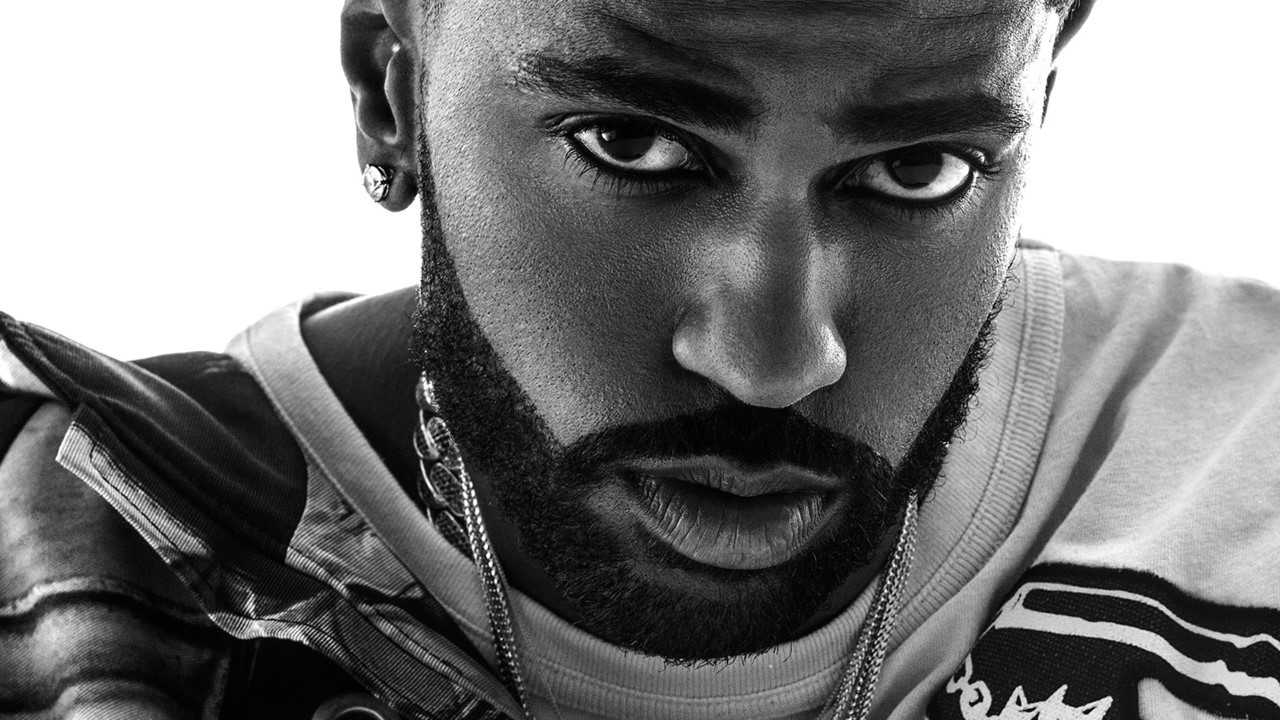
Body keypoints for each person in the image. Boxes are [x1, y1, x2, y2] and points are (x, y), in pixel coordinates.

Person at [1, 1, 1278, 719]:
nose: (771, 363)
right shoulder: (62, 554)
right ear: (389, 91)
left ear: (1038, 103)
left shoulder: (1247, 462)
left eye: (918, 170)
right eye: (631, 144)